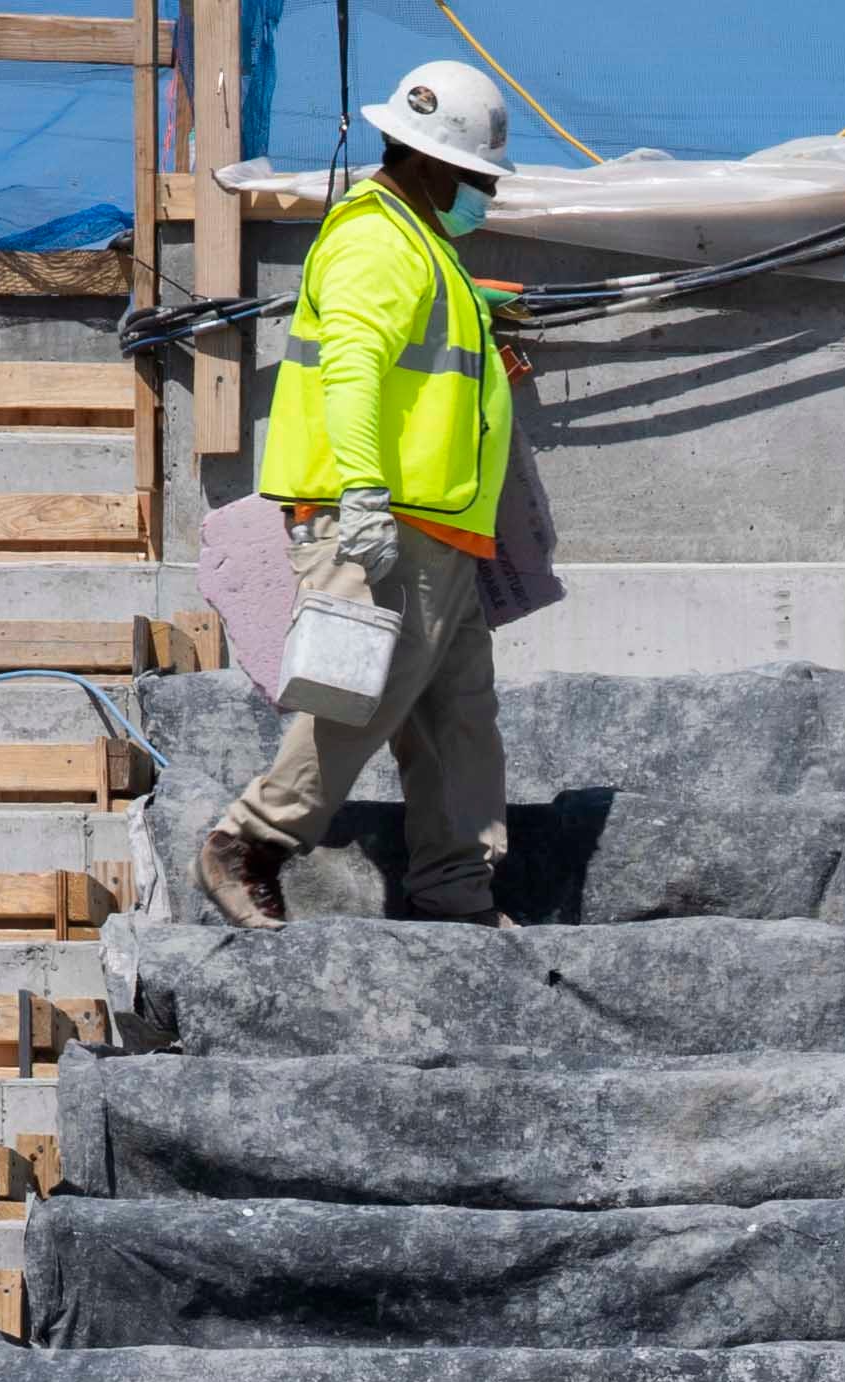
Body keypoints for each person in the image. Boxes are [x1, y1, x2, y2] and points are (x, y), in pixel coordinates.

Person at [196, 59, 521, 930]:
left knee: (458, 719)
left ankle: (456, 891)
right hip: (384, 523)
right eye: (478, 176)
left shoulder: (423, 245)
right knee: (360, 698)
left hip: (440, 531)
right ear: (431, 162)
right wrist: (366, 496)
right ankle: (249, 840)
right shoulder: (378, 238)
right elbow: (353, 370)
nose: (483, 192)